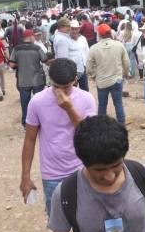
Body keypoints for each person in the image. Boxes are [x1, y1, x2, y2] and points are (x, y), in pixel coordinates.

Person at [20, 58, 97, 213]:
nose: (60, 92)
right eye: (56, 86)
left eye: (66, 87)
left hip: (82, 169)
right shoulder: (37, 102)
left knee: (85, 217)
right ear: (50, 80)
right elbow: (30, 140)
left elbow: (89, 134)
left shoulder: (86, 98)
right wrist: (25, 176)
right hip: (52, 174)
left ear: (75, 80)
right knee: (57, 222)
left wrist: (69, 109)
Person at [86, 23, 130, 124]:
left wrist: (93, 75)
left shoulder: (94, 48)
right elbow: (126, 63)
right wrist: (125, 73)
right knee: (118, 104)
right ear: (110, 33)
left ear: (99, 35)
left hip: (102, 81)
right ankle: (121, 126)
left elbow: (88, 67)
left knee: (102, 105)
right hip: (117, 80)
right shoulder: (119, 45)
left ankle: (102, 128)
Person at [9, 29, 48, 128]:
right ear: (31, 37)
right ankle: (40, 122)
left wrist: (21, 64)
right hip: (37, 80)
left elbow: (11, 64)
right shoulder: (37, 48)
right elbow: (45, 60)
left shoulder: (16, 49)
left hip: (23, 81)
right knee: (39, 102)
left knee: (25, 104)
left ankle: (26, 123)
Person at [70, 20, 90, 91]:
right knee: (72, 90)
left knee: (85, 90)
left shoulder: (83, 38)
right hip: (71, 70)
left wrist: (87, 66)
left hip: (83, 68)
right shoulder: (67, 40)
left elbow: (87, 52)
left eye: (76, 29)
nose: (74, 31)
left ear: (79, 29)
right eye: (72, 29)